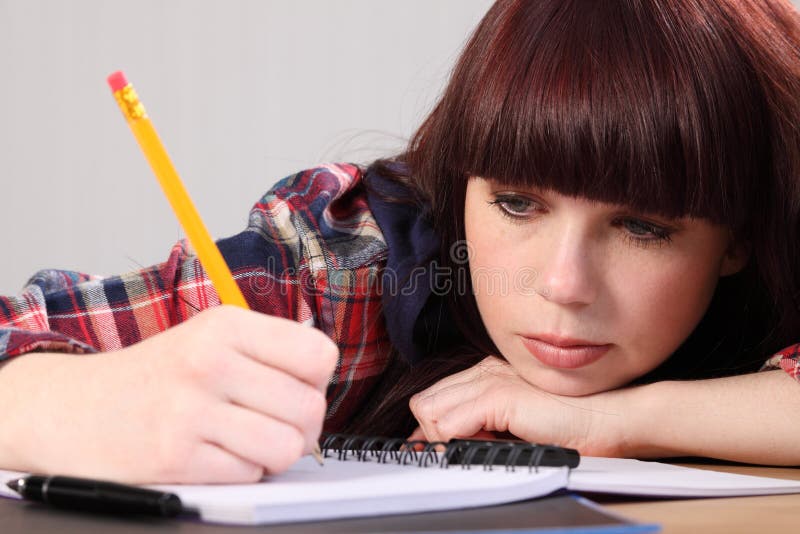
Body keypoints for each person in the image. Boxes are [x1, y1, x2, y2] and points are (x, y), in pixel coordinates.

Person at [2, 0, 800, 484]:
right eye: (517, 203)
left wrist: (619, 421)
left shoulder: (777, 255)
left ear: (737, 236)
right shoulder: (351, 268)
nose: (562, 285)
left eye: (643, 226)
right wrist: (70, 406)